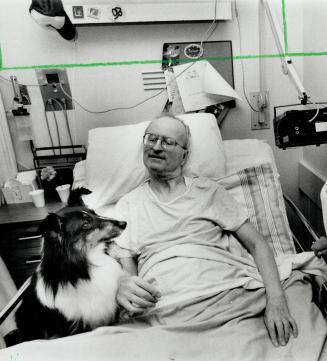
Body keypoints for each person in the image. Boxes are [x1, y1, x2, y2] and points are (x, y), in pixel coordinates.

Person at [114, 114, 298, 348]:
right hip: (167, 308)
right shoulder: (127, 206)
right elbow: (128, 275)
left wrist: (276, 298)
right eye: (151, 139)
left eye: (168, 142)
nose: (156, 147)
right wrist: (123, 285)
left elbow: (257, 243)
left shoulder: (209, 192)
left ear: (184, 156)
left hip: (227, 296)